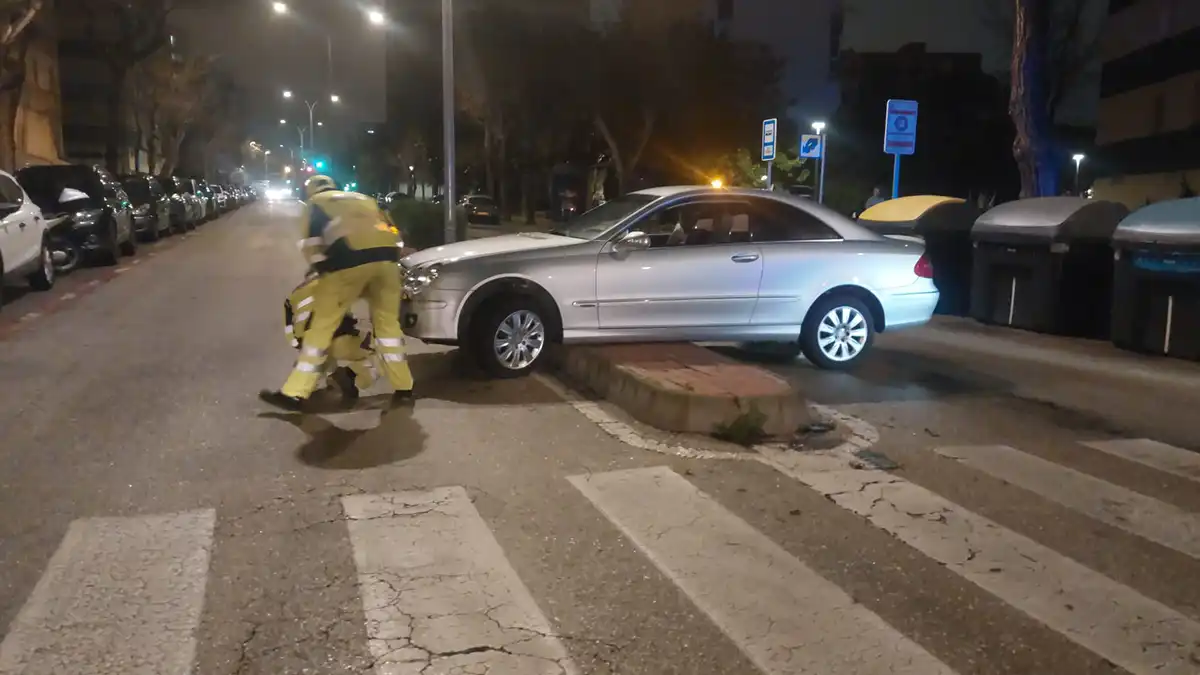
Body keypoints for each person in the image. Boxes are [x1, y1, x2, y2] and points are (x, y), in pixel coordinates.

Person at [259, 175, 414, 411]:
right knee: (388, 327)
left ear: (310, 192)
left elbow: (311, 243)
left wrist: (320, 268)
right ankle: (404, 389)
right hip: (387, 261)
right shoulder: (364, 199)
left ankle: (294, 393)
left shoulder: (315, 204)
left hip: (348, 263)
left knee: (322, 327)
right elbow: (393, 230)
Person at [283, 274, 376, 402]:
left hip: (306, 344)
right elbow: (344, 322)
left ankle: (301, 391)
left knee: (320, 359)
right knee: (384, 350)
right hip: (335, 341)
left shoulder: (295, 293)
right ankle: (352, 375)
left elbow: (289, 323)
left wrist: (297, 343)